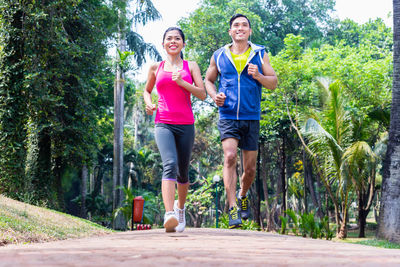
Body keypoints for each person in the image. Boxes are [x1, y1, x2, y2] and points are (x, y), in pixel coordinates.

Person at [205, 14, 278, 228]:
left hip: (251, 116)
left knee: (251, 169)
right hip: (227, 115)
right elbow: (208, 81)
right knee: (229, 157)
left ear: (250, 31)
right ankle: (232, 208)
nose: (240, 28)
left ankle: (242, 194)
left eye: (244, 25)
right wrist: (214, 96)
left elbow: (273, 83)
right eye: (236, 25)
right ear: (230, 31)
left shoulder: (260, 53)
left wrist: (259, 77)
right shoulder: (219, 55)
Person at [143, 27, 206, 233]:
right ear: (163, 43)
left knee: (183, 172)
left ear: (183, 44)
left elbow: (203, 94)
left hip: (186, 124)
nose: (173, 41)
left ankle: (180, 208)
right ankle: (169, 214)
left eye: (177, 38)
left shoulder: (191, 66)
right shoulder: (156, 67)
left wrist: (181, 82)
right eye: (169, 38)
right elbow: (147, 90)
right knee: (169, 163)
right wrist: (149, 103)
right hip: (163, 122)